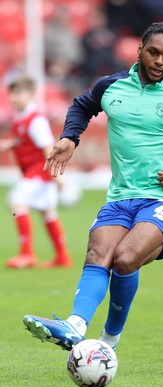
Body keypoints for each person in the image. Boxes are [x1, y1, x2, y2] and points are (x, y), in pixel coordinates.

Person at [23, 22, 163, 350]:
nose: (159, 61)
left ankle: (109, 340)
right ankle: (74, 325)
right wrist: (70, 137)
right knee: (98, 253)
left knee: (125, 258)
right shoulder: (111, 86)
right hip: (121, 195)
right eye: (153, 52)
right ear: (139, 51)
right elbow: (82, 106)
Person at [0, 77, 72, 269]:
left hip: (38, 172)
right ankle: (62, 257)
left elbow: (48, 147)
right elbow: (24, 141)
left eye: (18, 93)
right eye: (12, 94)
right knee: (47, 211)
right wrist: (10, 144)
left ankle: (27, 254)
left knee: (17, 203)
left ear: (31, 94)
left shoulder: (36, 120)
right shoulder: (20, 118)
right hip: (35, 172)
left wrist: (56, 175)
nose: (14, 98)